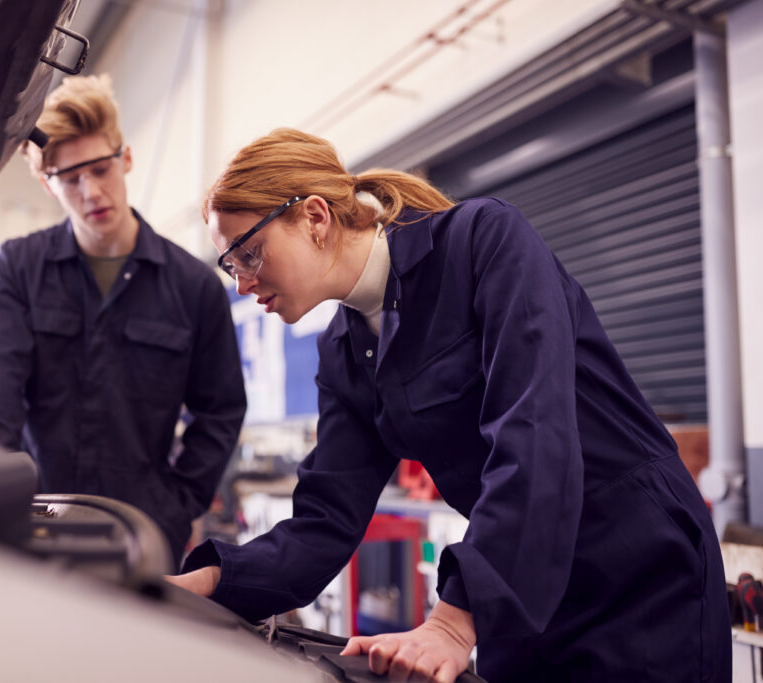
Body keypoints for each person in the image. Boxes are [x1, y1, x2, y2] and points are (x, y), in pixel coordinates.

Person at [165, 128, 730, 682]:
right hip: (515, 588)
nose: (241, 284)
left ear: (314, 217)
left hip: (637, 570)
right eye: (230, 265)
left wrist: (453, 624)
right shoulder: (343, 350)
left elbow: (534, 434)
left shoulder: (482, 241)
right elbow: (325, 520)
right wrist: (204, 585)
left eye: (249, 253)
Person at [0, 75, 247, 570]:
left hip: (141, 535)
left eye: (101, 169)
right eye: (71, 179)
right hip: (33, 526)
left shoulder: (193, 286)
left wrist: (174, 508)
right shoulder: (18, 270)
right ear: (45, 183)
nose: (92, 191)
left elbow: (221, 413)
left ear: (127, 158)